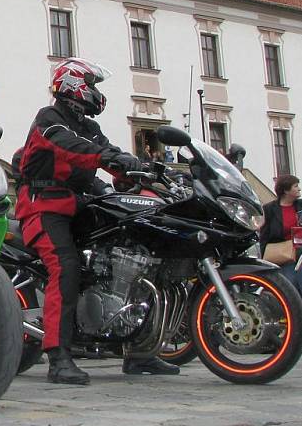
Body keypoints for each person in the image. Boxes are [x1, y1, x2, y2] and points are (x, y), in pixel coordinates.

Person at [13, 57, 179, 386]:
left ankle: (139, 349)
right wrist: (112, 159)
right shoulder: (50, 119)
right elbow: (76, 148)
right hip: (43, 206)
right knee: (66, 267)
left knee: (134, 253)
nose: (95, 93)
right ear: (74, 85)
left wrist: (147, 170)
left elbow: (106, 150)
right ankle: (58, 357)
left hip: (80, 204)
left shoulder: (89, 126)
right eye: (92, 85)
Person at [260, 175, 302, 303]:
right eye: (295, 186)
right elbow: (264, 236)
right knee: (289, 292)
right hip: (283, 257)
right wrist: (265, 258)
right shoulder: (269, 209)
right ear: (286, 191)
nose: (299, 189)